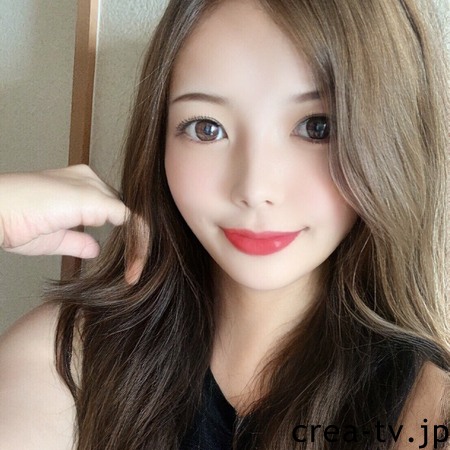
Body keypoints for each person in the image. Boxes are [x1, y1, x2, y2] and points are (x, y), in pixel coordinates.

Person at [1, 0, 449, 448]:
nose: (254, 188)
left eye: (317, 127)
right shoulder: (67, 358)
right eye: (207, 128)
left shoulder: (431, 410)